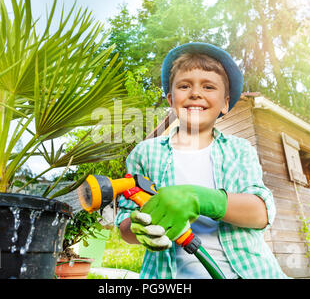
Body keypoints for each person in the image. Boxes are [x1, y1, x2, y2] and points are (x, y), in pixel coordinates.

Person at [115, 42, 289, 279]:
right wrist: (139, 227)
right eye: (184, 86)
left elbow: (261, 214)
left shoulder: (240, 150)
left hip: (249, 272)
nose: (195, 93)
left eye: (208, 86)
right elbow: (125, 222)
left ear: (225, 103)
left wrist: (200, 199)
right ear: (171, 99)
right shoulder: (145, 154)